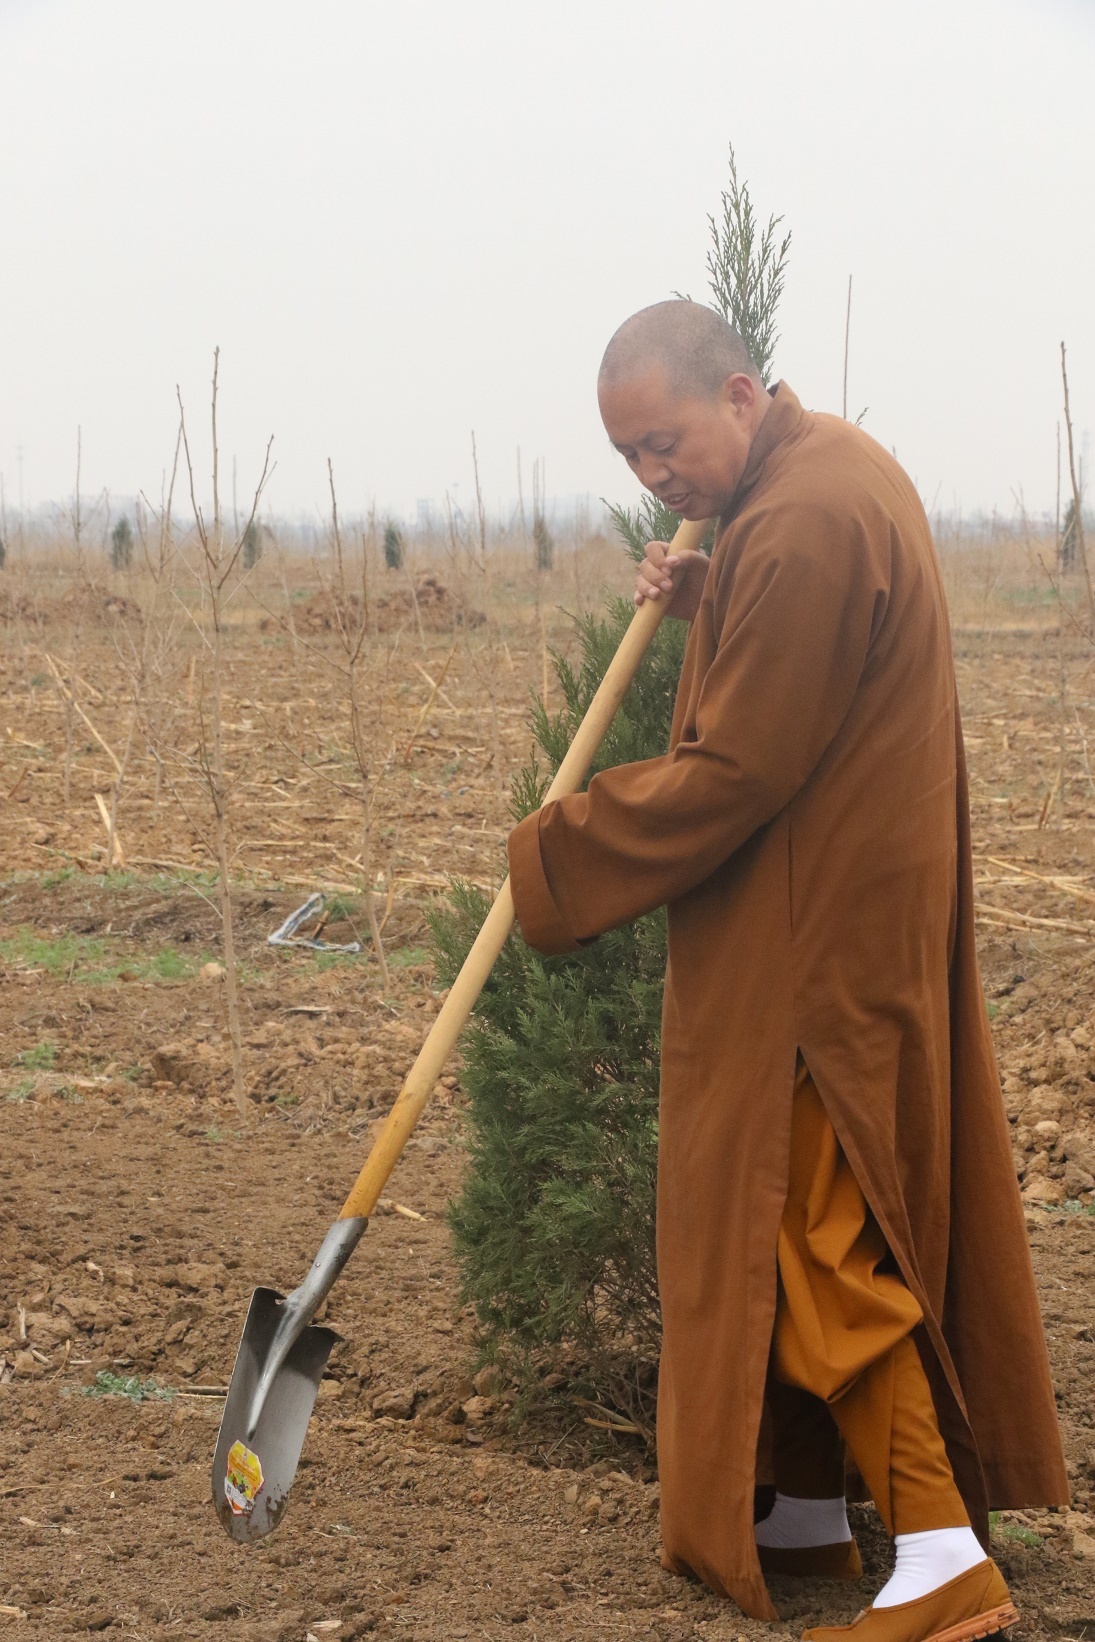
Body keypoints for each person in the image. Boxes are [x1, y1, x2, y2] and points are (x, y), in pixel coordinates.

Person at [505, 301, 1068, 1642]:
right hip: (847, 917)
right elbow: (807, 655)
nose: (654, 476)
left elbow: (743, 766)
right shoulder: (816, 485)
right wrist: (720, 588)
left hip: (817, 946)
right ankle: (808, 1504)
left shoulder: (804, 520)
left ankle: (939, 1552)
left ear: (742, 396)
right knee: (796, 1217)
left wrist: (558, 856)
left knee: (813, 1227)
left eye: (664, 442)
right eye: (630, 458)